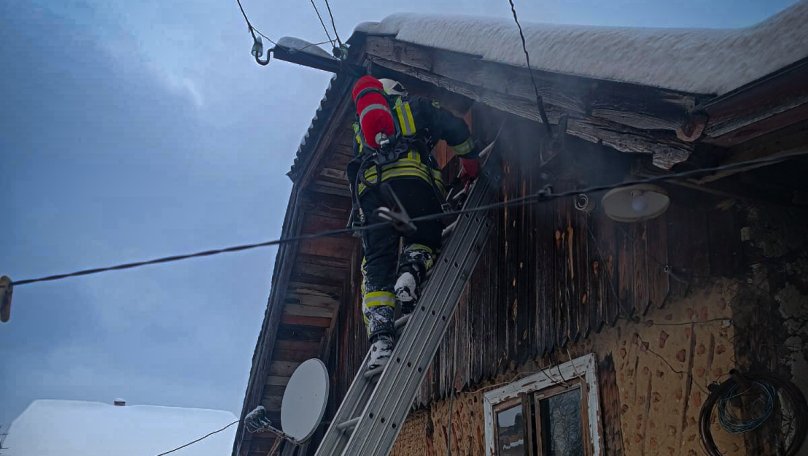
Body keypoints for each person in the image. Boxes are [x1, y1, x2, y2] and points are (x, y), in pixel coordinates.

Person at [347, 75, 480, 369]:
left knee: (378, 262)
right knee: (426, 235)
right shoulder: (416, 106)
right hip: (414, 186)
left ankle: (381, 343)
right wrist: (470, 162)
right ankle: (412, 270)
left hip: (375, 197)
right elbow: (455, 128)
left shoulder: (361, 129)